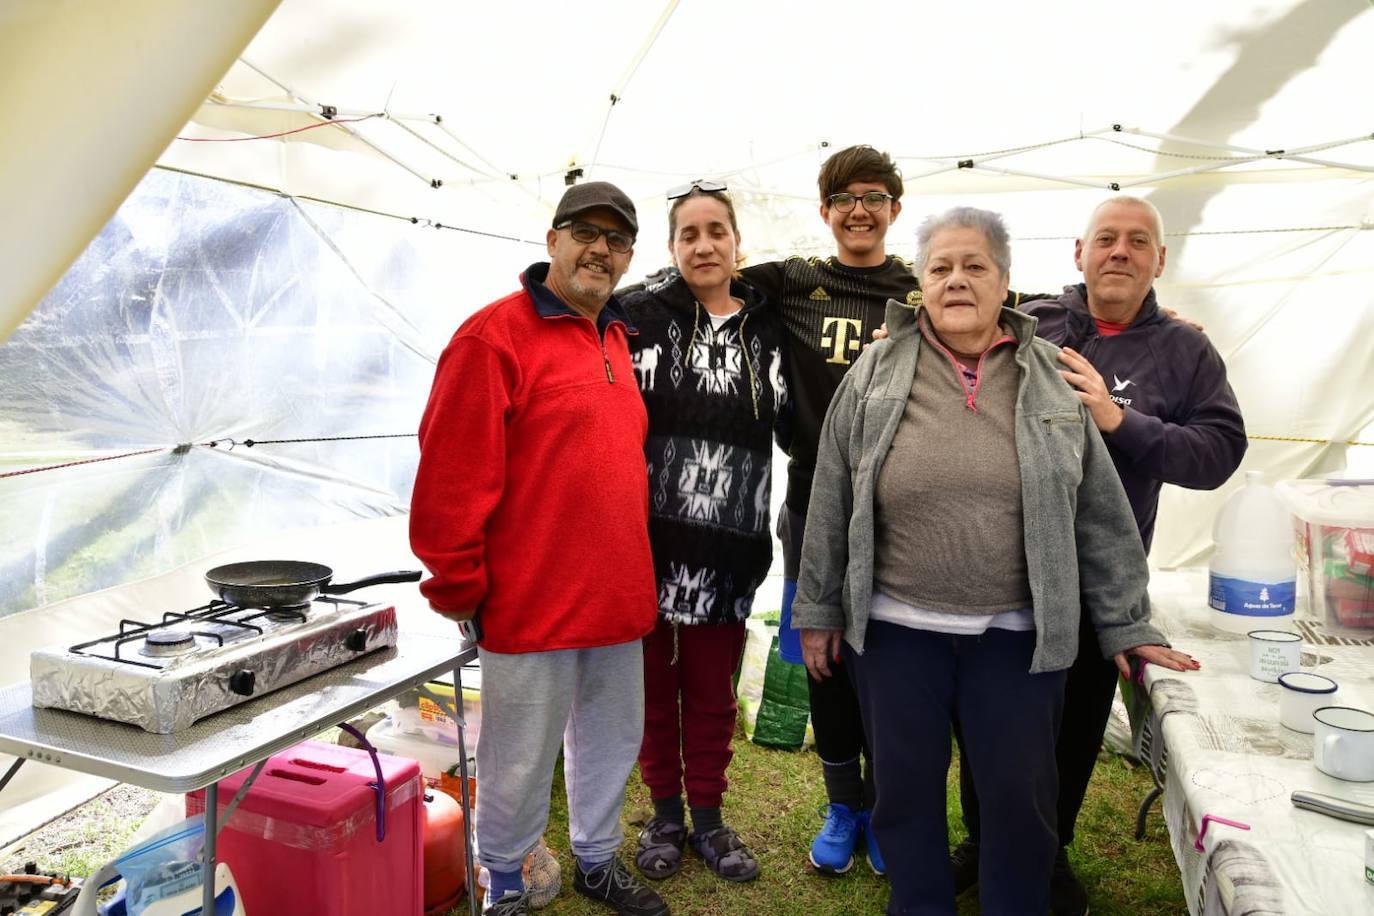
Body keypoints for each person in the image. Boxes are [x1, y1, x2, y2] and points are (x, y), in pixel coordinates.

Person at [792, 206, 1199, 915]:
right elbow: (832, 490)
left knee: (1021, 805)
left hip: (1017, 637)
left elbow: (1101, 513)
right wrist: (820, 608)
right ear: (920, 281)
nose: (957, 280)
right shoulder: (876, 369)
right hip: (894, 635)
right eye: (941, 268)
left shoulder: (1051, 374)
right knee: (904, 797)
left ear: (1005, 281)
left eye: (974, 266)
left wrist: (1127, 623)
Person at [950, 195, 1247, 914]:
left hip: (1096, 584)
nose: (1120, 251)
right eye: (1106, 239)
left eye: (1138, 241)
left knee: (1073, 726)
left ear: (1160, 261)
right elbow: (947, 303)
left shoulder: (1186, 351)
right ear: (1078, 252)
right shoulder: (1033, 320)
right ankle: (982, 842)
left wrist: (1119, 419)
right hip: (1005, 571)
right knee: (991, 720)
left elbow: (1218, 451)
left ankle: (1049, 853)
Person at [410, 181, 669, 916]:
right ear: (551, 239)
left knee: (611, 742)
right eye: (584, 232)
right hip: (530, 602)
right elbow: (449, 482)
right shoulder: (492, 338)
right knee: (517, 759)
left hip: (618, 597)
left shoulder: (616, 336)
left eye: (617, 240)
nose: (600, 250)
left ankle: (595, 860)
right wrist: (459, 590)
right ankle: (508, 884)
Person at [738, 145, 917, 876]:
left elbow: (1018, 306)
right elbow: (702, 280)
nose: (860, 210)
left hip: (905, 501)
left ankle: (887, 806)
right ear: (826, 211)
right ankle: (844, 806)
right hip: (814, 496)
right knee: (824, 658)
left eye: (874, 196)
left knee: (897, 661)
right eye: (845, 197)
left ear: (896, 210)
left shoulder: (922, 284)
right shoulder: (794, 280)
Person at [618, 180, 790, 885]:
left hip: (730, 550)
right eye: (688, 234)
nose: (704, 244)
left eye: (716, 230)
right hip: (647, 549)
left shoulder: (772, 328)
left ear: (738, 244)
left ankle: (711, 821)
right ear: (671, 249)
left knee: (713, 695)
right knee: (655, 694)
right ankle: (664, 816)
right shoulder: (634, 318)